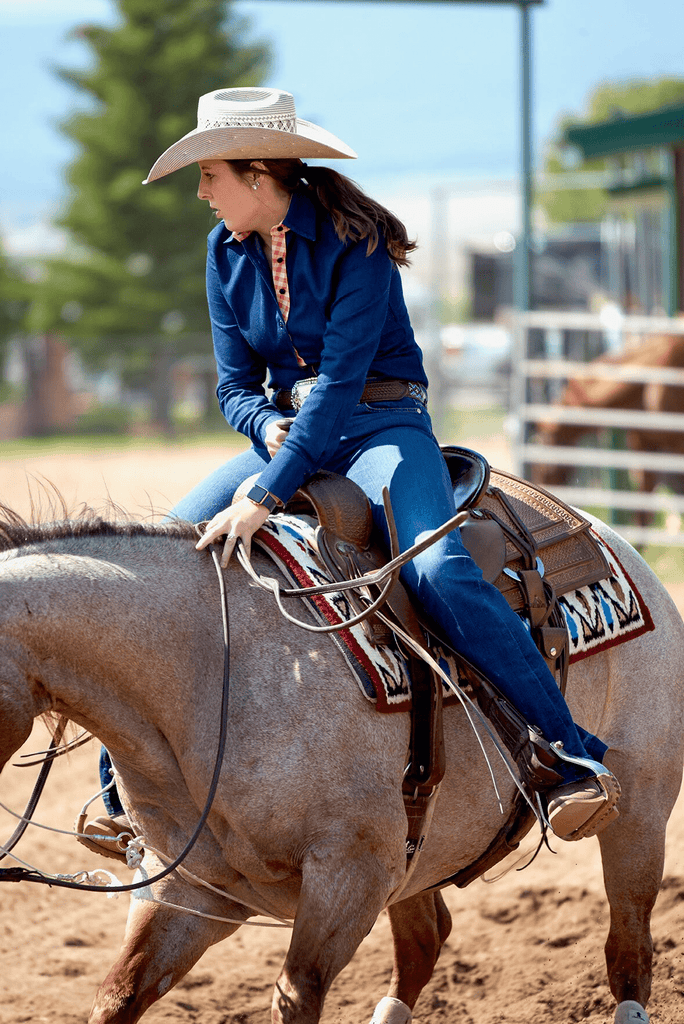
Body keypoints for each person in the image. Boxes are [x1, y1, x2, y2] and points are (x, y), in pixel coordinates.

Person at [84, 87, 619, 860]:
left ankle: (567, 756)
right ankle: (124, 799)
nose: (201, 193)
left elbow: (339, 387)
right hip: (290, 434)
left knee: (438, 569)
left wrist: (265, 494)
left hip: (383, 427)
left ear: (259, 172)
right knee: (165, 557)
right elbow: (234, 385)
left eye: (210, 175)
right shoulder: (223, 252)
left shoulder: (355, 240)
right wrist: (266, 427)